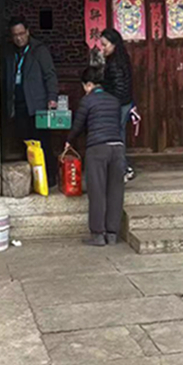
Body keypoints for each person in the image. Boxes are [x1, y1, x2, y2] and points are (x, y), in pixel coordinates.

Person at [64, 66, 125, 246]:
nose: (85, 90)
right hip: (118, 148)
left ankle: (98, 234)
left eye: (84, 86)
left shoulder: (87, 101)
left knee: (97, 191)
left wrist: (69, 141)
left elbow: (78, 125)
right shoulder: (114, 101)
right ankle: (112, 234)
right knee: (115, 192)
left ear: (89, 84)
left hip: (98, 149)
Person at [5, 15, 58, 187]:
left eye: (21, 34)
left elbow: (50, 75)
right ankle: (32, 180)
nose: (19, 38)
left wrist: (52, 98)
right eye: (15, 35)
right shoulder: (10, 52)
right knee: (25, 143)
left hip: (37, 105)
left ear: (28, 32)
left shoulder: (39, 50)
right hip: (19, 105)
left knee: (42, 143)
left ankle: (50, 178)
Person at [99, 27, 135, 181]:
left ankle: (122, 169)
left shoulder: (114, 63)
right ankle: (123, 167)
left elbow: (118, 88)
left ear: (114, 44)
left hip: (118, 105)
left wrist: (109, 104)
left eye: (105, 45)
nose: (103, 48)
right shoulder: (121, 59)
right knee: (119, 136)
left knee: (116, 138)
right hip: (124, 103)